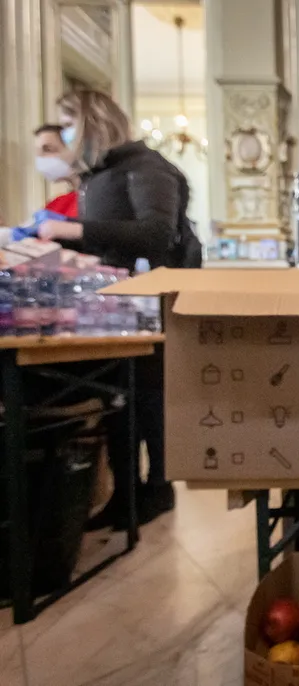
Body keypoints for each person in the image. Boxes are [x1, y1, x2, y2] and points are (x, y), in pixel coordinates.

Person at [40, 90, 199, 528]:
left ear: (91, 122)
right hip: (113, 303)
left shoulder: (147, 169)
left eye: (69, 123)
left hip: (150, 302)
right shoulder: (101, 176)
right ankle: (126, 494)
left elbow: (155, 233)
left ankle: (158, 489)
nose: (65, 133)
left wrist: (71, 228)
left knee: (148, 400)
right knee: (121, 402)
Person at [33, 124, 79, 218]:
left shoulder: (97, 199)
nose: (40, 158)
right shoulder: (55, 205)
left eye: (48, 149)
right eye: (38, 152)